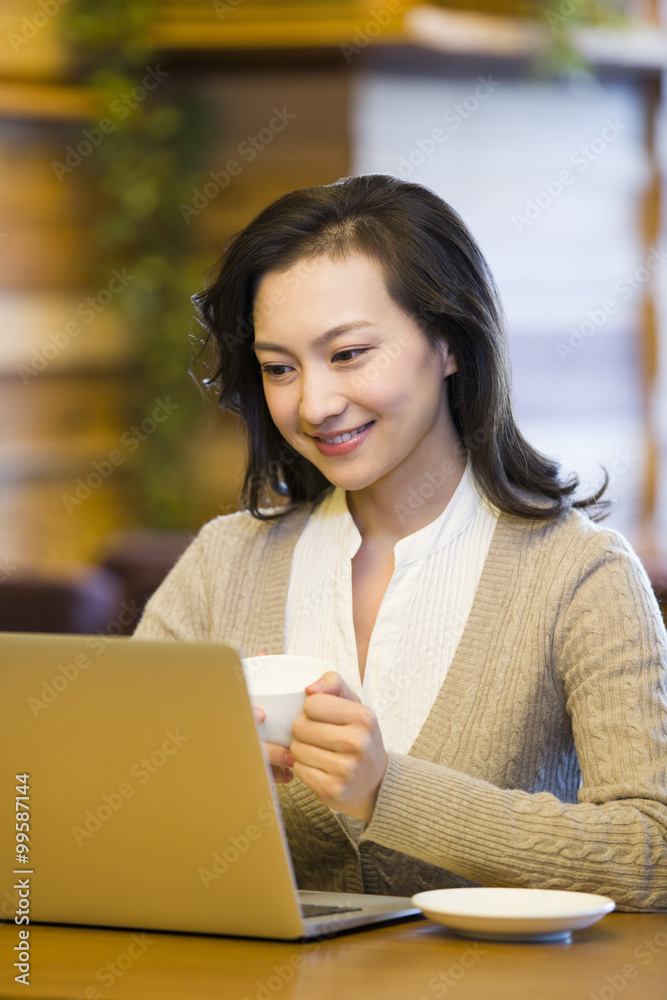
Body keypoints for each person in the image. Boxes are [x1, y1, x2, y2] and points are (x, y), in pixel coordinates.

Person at [133, 174, 667, 911]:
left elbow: (650, 856)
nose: (313, 404)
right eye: (279, 368)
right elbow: (103, 812)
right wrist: (197, 787)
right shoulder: (224, 563)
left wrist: (389, 790)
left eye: (348, 353)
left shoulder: (578, 575)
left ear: (448, 342)